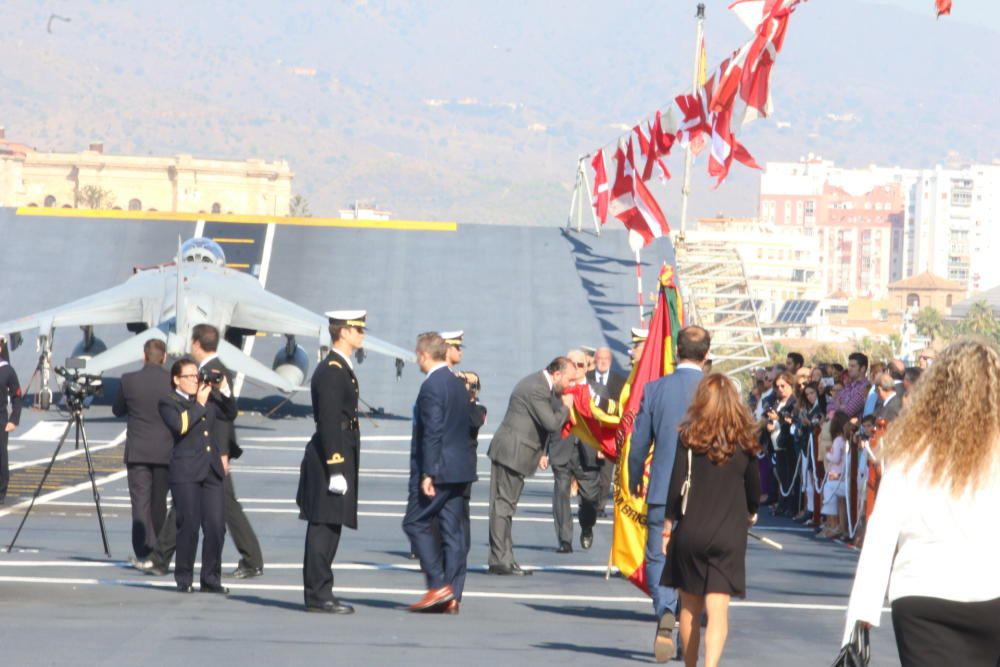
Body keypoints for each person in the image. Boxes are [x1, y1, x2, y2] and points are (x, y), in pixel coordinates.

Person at [843, 339, 1000, 666]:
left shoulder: (910, 449)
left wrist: (861, 616)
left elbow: (882, 532)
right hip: (990, 591)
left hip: (920, 595)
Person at [139, 325, 265, 578]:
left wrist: (224, 452)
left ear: (196, 343)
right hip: (204, 454)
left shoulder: (209, 373)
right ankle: (161, 558)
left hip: (212, 454)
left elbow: (223, 419)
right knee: (185, 506)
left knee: (224, 508)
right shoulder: (214, 371)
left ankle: (252, 559)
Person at [661, 374, 761, 667]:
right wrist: (751, 512)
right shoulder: (744, 441)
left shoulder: (689, 437)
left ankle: (690, 664)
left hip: (692, 530)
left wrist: (667, 527)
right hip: (729, 533)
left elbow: (676, 485)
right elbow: (754, 488)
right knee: (718, 610)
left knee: (689, 607)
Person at [628, 325, 710, 663]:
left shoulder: (655, 389)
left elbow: (639, 444)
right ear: (707, 353)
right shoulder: (716, 391)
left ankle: (665, 610)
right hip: (705, 493)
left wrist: (634, 478)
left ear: (677, 351)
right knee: (695, 561)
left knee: (658, 557)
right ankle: (685, 626)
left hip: (662, 487)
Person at [296, 310, 367, 614]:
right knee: (323, 526)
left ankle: (322, 590)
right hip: (331, 455)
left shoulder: (340, 368)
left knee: (331, 525)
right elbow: (327, 421)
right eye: (357, 329)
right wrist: (335, 468)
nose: (362, 334)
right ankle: (317, 594)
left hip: (340, 450)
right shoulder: (331, 371)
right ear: (343, 332)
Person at [403, 333, 479, 614]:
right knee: (453, 532)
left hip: (441, 469)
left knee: (414, 522)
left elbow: (433, 431)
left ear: (424, 355)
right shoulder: (458, 384)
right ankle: (454, 594)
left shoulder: (432, 386)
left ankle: (438, 585)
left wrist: (428, 473)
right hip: (461, 469)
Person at [486, 357, 574, 576]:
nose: (569, 385)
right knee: (503, 506)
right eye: (569, 380)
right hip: (513, 451)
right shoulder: (536, 388)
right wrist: (566, 407)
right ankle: (500, 560)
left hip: (514, 450)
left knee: (504, 506)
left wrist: (543, 452)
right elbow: (551, 423)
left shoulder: (541, 386)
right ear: (557, 374)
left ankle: (505, 557)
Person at [159, 357, 235, 594]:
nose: (195, 380)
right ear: (176, 380)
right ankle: (184, 577)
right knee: (189, 525)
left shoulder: (207, 397)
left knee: (215, 526)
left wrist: (223, 388)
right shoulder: (168, 402)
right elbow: (181, 426)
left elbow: (230, 412)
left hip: (211, 469)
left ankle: (211, 578)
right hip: (186, 471)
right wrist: (200, 404)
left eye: (196, 375)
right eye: (189, 377)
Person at [112, 338, 173, 561]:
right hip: (165, 451)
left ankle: (142, 550)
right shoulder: (172, 381)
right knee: (159, 503)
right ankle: (158, 549)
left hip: (138, 451)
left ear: (144, 356)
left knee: (140, 503)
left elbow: (117, 410)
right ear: (164, 357)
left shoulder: (129, 380)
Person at [547, 349, 600, 553]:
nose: (576, 369)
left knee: (590, 498)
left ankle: (587, 525)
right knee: (561, 493)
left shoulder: (597, 391)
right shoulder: (556, 390)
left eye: (580, 365)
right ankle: (564, 539)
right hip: (562, 447)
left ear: (587, 367)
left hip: (588, 452)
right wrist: (543, 451)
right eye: (572, 364)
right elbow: (547, 420)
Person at [587, 346, 626, 518]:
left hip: (609, 434)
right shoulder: (586, 380)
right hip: (589, 433)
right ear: (595, 360)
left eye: (606, 359)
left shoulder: (619, 381)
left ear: (610, 361)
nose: (602, 362)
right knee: (589, 473)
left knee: (605, 476)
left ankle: (600, 507)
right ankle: (588, 505)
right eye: (599, 358)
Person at [0, 338, 22, 505]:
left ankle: (1, 490)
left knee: (1, 456)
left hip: (1, 420)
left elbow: (17, 396)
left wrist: (14, 419)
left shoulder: (7, 370)